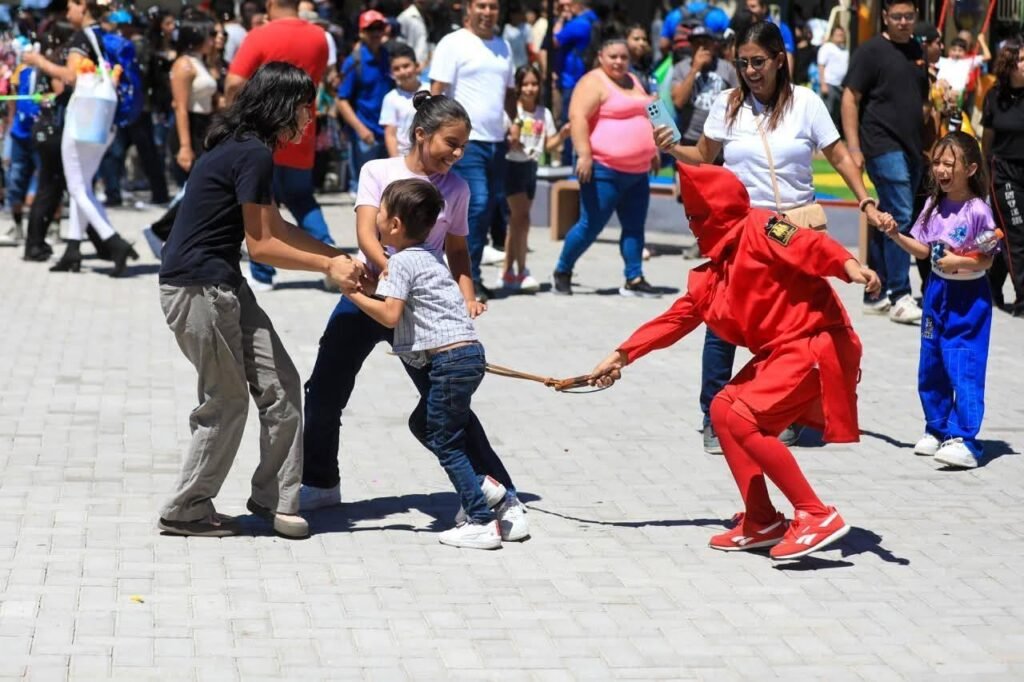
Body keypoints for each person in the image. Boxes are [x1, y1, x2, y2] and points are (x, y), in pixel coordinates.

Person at [588, 162, 881, 561]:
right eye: (689, 216)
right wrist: (621, 356)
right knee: (723, 409)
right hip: (782, 352)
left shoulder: (761, 227)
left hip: (816, 342)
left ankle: (816, 514)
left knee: (744, 416)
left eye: (697, 216)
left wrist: (850, 267)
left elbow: (809, 245)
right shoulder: (714, 272)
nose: (692, 225)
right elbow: (676, 318)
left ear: (718, 210)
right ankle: (761, 519)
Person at [300, 92, 530, 542]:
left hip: (421, 311)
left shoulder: (457, 188)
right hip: (371, 293)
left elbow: (459, 251)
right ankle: (321, 481)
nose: (458, 154)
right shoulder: (378, 171)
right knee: (325, 388)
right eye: (451, 143)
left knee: (445, 405)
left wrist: (466, 297)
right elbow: (366, 233)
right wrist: (391, 278)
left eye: (464, 145)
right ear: (421, 134)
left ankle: (506, 497)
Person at [656, 21, 892, 453]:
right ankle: (713, 416)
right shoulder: (727, 105)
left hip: (796, 231)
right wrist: (672, 147)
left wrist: (865, 201)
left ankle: (778, 412)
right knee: (723, 322)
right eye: (743, 62)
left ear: (780, 60)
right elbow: (704, 157)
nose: (750, 70)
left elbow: (839, 155)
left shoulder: (806, 102)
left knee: (794, 329)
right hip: (744, 232)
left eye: (758, 62)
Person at [156, 62, 362, 538]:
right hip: (197, 288)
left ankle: (276, 501)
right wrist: (328, 269)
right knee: (226, 401)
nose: (312, 120)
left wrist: (335, 254)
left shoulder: (250, 150)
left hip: (223, 284)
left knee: (282, 385)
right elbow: (262, 247)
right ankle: (185, 509)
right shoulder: (251, 154)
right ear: (282, 107)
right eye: (307, 110)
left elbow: (276, 228)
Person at [346, 178, 518, 549]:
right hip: (467, 356)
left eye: (382, 212)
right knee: (422, 423)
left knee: (446, 440)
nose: (376, 219)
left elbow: (390, 315)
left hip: (450, 361)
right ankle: (483, 487)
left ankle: (481, 519)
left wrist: (352, 294)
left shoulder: (402, 262)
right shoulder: (428, 258)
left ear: (393, 225)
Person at [883, 132, 997, 468]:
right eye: (937, 162)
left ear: (971, 168)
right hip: (937, 292)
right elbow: (924, 247)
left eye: (950, 163)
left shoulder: (978, 210)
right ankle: (937, 427)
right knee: (931, 360)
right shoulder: (933, 205)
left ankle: (966, 439)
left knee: (962, 361)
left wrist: (957, 262)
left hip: (968, 297)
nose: (941, 170)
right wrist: (895, 235)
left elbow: (987, 258)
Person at [21, 0, 140, 277]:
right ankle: (73, 249)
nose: (67, 12)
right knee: (83, 184)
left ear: (83, 7)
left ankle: (114, 242)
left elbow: (71, 76)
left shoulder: (80, 37)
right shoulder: (103, 35)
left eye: (71, 6)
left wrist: (39, 62)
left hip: (82, 121)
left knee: (76, 188)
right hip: (103, 121)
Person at [227, 0, 333, 292]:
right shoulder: (319, 37)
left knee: (259, 199)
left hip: (265, 133)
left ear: (271, 3)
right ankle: (332, 258)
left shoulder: (259, 35)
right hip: (302, 128)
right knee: (301, 197)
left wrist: (231, 115)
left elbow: (234, 81)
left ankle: (262, 274)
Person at [551, 28, 661, 298]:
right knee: (591, 225)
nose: (618, 62)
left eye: (623, 57)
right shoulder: (593, 82)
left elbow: (650, 115)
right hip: (603, 168)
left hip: (638, 171)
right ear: (601, 57)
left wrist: (655, 150)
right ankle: (562, 270)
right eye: (613, 56)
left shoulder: (634, 80)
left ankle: (634, 277)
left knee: (635, 226)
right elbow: (577, 119)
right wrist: (584, 155)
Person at [842, 0, 930, 324]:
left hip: (912, 146)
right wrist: (853, 146)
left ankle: (874, 293)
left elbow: (920, 100)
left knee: (889, 218)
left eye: (909, 16)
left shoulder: (916, 50)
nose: (904, 22)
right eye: (897, 16)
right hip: (880, 144)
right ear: (885, 17)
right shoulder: (870, 52)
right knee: (902, 214)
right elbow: (850, 97)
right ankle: (899, 295)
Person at [429, 0, 518, 302]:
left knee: (488, 208)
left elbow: (508, 93)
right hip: (466, 143)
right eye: (481, 5)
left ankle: (468, 273)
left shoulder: (504, 46)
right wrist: (436, 135)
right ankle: (468, 279)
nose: (488, 12)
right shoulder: (452, 43)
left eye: (493, 6)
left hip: (497, 140)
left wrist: (515, 122)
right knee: (476, 206)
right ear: (468, 8)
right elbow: (437, 91)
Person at [496, 64, 568, 291]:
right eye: (525, 84)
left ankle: (508, 272)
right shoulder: (512, 111)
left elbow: (548, 144)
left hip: (531, 166)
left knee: (517, 222)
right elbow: (503, 138)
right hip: (512, 165)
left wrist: (564, 134)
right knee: (522, 218)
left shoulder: (543, 113)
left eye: (534, 84)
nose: (530, 88)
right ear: (517, 86)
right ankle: (522, 270)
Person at [983, 41, 1024, 317]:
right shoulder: (994, 96)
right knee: (1019, 234)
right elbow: (987, 141)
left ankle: (989, 286)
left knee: (1005, 234)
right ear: (1009, 64)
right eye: (1022, 59)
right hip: (1005, 173)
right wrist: (986, 178)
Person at [338, 10, 393, 193]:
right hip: (366, 133)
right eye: (371, 29)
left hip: (387, 131)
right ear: (362, 32)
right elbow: (342, 101)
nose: (376, 33)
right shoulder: (354, 62)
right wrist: (360, 129)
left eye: (380, 28)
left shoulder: (388, 57)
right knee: (363, 190)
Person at [169, 16, 219, 186]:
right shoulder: (184, 65)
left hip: (205, 125)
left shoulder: (201, 62)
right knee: (193, 187)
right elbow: (180, 108)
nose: (213, 40)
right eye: (210, 35)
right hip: (191, 126)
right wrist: (185, 147)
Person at [670, 24, 736, 147]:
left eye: (706, 43)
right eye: (697, 43)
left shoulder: (727, 68)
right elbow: (678, 102)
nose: (702, 47)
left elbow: (739, 100)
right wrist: (695, 69)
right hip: (690, 139)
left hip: (718, 139)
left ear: (714, 45)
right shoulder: (681, 68)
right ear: (691, 46)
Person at [552, 0, 599, 166]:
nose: (565, 8)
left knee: (568, 121)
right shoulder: (593, 19)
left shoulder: (578, 23)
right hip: (585, 79)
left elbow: (554, 41)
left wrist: (559, 19)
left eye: (567, 4)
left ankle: (567, 163)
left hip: (571, 80)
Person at [380, 42, 427, 158]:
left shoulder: (431, 91)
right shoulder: (390, 98)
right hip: (404, 157)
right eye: (396, 69)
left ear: (416, 66)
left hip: (430, 156)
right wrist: (395, 161)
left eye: (406, 66)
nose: (403, 72)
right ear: (391, 73)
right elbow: (390, 134)